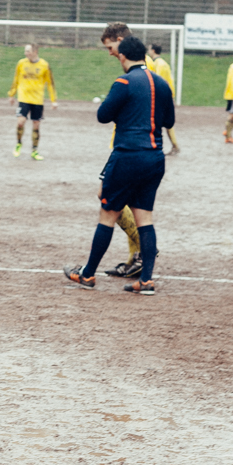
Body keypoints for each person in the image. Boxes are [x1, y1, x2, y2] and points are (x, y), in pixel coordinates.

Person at [65, 33, 174, 295]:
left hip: (127, 156)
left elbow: (103, 115)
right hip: (155, 157)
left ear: (123, 56)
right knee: (144, 218)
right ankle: (146, 281)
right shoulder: (161, 83)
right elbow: (169, 121)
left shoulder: (123, 81)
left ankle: (87, 274)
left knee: (108, 214)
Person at [97, 23, 143, 281]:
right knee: (131, 203)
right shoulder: (137, 66)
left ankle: (144, 248)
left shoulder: (141, 69)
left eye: (110, 47)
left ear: (120, 39)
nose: (111, 53)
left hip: (130, 147)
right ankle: (135, 259)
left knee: (106, 195)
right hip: (131, 145)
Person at [7, 42, 56, 159]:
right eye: (25, 51)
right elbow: (16, 79)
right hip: (24, 98)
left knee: (36, 125)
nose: (26, 53)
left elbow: (50, 84)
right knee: (21, 121)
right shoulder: (21, 63)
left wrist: (53, 100)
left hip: (38, 100)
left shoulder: (44, 65)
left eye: (28, 51)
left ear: (35, 52)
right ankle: (19, 143)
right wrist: (12, 94)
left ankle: (34, 150)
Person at [147, 41, 181, 156]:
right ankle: (174, 146)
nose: (148, 51)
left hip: (162, 96)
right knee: (165, 123)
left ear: (153, 51)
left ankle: (173, 146)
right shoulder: (162, 63)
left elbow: (158, 81)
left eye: (149, 49)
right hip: (166, 95)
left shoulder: (159, 64)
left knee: (160, 122)